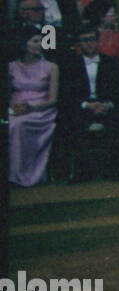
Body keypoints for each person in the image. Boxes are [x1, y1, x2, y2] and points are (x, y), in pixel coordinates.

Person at [60, 22, 119, 181]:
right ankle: (80, 171)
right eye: (84, 40)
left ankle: (114, 169)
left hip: (107, 106)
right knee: (72, 121)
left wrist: (107, 104)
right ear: (78, 44)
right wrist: (87, 105)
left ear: (98, 41)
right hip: (82, 107)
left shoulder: (112, 62)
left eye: (92, 39)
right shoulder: (70, 64)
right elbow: (66, 95)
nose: (89, 43)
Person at [8, 24, 59, 186]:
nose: (39, 45)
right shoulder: (11, 66)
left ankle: (22, 176)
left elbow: (53, 99)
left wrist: (30, 107)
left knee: (17, 125)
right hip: (15, 107)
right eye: (35, 41)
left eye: (41, 41)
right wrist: (13, 106)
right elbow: (7, 93)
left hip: (41, 109)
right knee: (10, 122)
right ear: (24, 44)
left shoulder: (51, 67)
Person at [83, 0, 119, 67]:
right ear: (101, 17)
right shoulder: (87, 35)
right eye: (112, 15)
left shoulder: (118, 36)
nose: (116, 17)